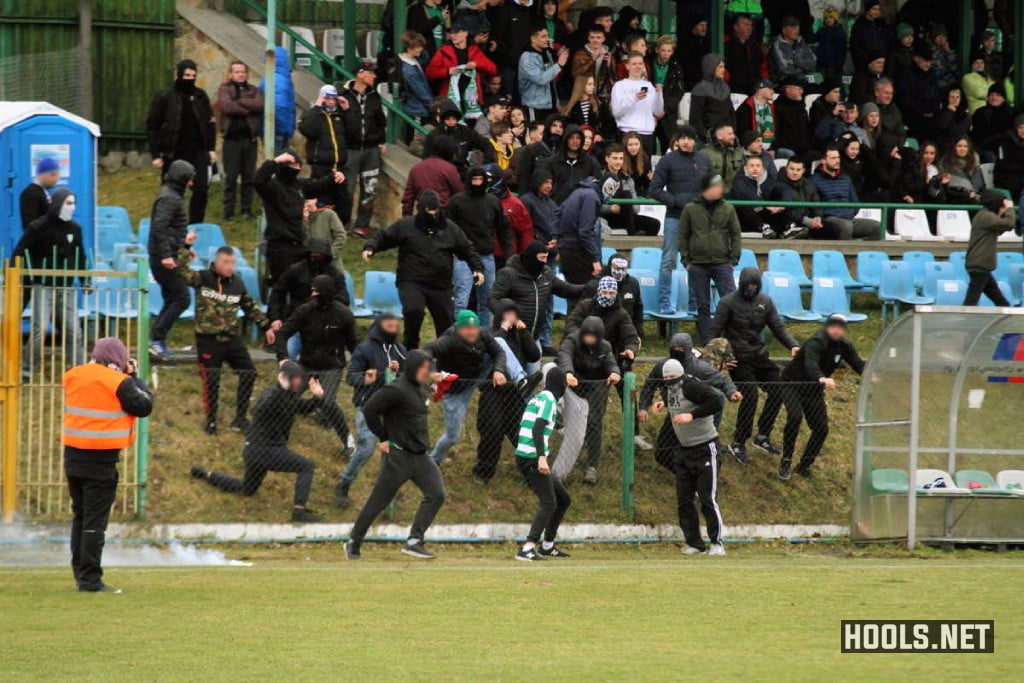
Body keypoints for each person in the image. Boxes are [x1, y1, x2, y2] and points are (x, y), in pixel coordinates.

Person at [63, 337, 153, 593]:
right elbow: (144, 405)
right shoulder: (119, 382)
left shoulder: (73, 375)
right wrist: (134, 377)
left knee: (80, 517)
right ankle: (90, 579)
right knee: (94, 521)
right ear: (120, 359)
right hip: (100, 460)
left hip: (73, 456)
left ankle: (80, 573)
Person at [191, 362, 326, 523]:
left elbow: (303, 408)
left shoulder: (290, 397)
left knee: (247, 489)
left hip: (258, 453)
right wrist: (281, 389)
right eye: (295, 379)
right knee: (306, 466)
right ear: (285, 378)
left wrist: (318, 398)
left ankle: (207, 475)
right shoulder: (271, 392)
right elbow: (261, 408)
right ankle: (299, 511)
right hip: (265, 450)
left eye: (300, 379)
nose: (299, 382)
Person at [346, 350, 446, 560]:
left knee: (437, 494)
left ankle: (414, 541)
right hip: (399, 457)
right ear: (411, 368)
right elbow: (370, 410)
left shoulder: (421, 388)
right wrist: (383, 437)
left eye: (428, 368)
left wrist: (437, 383)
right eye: (422, 368)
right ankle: (353, 541)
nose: (426, 372)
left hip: (421, 457)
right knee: (378, 502)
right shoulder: (396, 389)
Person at [363, 189, 484, 349]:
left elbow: (467, 248)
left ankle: (445, 357)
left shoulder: (450, 228)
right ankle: (410, 349)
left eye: (435, 211)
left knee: (446, 322)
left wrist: (477, 268)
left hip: (440, 285)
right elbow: (385, 237)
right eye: (429, 211)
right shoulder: (406, 226)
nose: (432, 215)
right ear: (421, 210)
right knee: (414, 311)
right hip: (412, 280)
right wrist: (371, 247)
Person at [175, 246, 271, 435]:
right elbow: (180, 270)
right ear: (216, 263)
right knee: (212, 380)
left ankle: (240, 419)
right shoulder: (203, 278)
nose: (230, 267)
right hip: (208, 340)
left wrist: (266, 327)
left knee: (248, 373)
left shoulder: (237, 284)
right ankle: (211, 421)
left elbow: (250, 306)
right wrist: (185, 248)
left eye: (232, 263)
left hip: (232, 339)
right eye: (226, 262)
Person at [709, 267, 800, 464]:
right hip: (738, 359)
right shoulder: (728, 303)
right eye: (748, 285)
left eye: (755, 285)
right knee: (749, 395)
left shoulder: (765, 302)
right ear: (741, 284)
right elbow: (714, 332)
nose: (751, 289)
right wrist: (720, 359)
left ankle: (763, 436)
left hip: (759, 355)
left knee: (778, 389)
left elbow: (778, 327)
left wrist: (793, 345)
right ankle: (739, 442)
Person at [647, 358, 726, 556]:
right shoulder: (667, 389)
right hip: (684, 449)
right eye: (666, 379)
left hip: (706, 447)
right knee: (684, 500)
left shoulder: (692, 386)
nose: (670, 382)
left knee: (707, 498)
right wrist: (662, 404)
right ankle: (694, 543)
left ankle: (717, 543)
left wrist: (693, 415)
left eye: (673, 378)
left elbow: (716, 401)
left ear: (680, 375)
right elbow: (674, 400)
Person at [273, 273, 357, 450]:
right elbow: (283, 333)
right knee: (285, 397)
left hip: (332, 366)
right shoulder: (305, 310)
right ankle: (278, 438)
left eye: (316, 292)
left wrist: (362, 364)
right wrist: (283, 359)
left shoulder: (344, 314)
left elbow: (353, 344)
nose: (313, 295)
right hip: (306, 364)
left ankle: (348, 442)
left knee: (327, 402)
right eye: (312, 291)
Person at [779, 314, 865, 480]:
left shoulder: (844, 346)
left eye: (841, 328)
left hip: (814, 389)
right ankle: (786, 460)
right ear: (827, 327)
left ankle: (804, 466)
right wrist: (822, 378)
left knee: (821, 429)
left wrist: (872, 375)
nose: (837, 330)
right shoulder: (816, 342)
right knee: (795, 417)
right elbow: (810, 363)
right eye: (834, 326)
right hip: (792, 384)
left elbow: (857, 363)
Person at [639, 334, 740, 471]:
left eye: (680, 349)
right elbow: (649, 385)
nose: (676, 352)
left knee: (695, 450)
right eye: (673, 348)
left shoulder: (699, 368)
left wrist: (731, 392)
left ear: (687, 349)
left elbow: (722, 380)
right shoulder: (663, 366)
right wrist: (643, 407)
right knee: (662, 453)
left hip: (695, 416)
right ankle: (686, 474)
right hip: (675, 413)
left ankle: (698, 474)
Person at [14, 187, 87, 376]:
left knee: (73, 329)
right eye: (68, 203)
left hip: (66, 285)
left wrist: (85, 279)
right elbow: (19, 251)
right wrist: (19, 276)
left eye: (74, 203)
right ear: (57, 204)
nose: (72, 207)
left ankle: (79, 369)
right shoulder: (38, 227)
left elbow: (81, 257)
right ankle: (27, 368)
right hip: (43, 285)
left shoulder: (75, 229)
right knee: (40, 329)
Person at [565, 276, 642, 452]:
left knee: (628, 395)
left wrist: (631, 349)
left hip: (613, 360)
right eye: (605, 292)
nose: (608, 295)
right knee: (584, 402)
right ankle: (579, 433)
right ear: (599, 291)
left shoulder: (621, 313)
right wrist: (585, 341)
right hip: (585, 359)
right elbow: (571, 326)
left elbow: (631, 336)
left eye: (611, 292)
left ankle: (634, 433)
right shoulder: (585, 306)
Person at [337, 314, 407, 506]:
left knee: (394, 452)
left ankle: (389, 496)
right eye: (389, 325)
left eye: (396, 326)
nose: (393, 329)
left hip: (392, 408)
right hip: (367, 405)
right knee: (367, 445)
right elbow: (351, 377)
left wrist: (400, 369)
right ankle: (345, 482)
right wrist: (365, 380)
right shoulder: (364, 349)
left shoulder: (400, 350)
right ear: (379, 326)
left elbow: (410, 376)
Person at [424, 310, 508, 464]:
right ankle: (432, 460)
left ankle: (520, 380)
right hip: (455, 390)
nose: (472, 332)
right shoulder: (449, 339)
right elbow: (426, 350)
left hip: (477, 375)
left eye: (474, 327)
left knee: (501, 343)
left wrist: (498, 370)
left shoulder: (483, 333)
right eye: (467, 328)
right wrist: (432, 372)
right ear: (459, 328)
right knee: (453, 437)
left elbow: (499, 352)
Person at [474, 299, 541, 483]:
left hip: (514, 393)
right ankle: (483, 473)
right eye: (508, 314)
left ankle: (531, 473)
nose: (512, 318)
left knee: (522, 433)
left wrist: (524, 332)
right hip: (492, 391)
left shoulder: (518, 335)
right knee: (492, 432)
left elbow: (534, 355)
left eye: (514, 314)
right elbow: (492, 349)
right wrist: (503, 328)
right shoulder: (490, 334)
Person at [255, 150, 345, 287]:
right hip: (279, 246)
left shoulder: (299, 186)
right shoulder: (272, 187)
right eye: (292, 165)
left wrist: (334, 177)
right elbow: (258, 180)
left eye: (298, 165)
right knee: (282, 287)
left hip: (298, 245)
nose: (296, 168)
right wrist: (275, 161)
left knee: (301, 287)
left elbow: (319, 185)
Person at [146, 59, 215, 223]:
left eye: (193, 75)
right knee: (171, 191)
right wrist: (156, 154)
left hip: (198, 151)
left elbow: (210, 123)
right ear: (179, 75)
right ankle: (169, 222)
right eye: (186, 75)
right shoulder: (165, 97)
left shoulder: (200, 96)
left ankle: (196, 224)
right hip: (173, 152)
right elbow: (153, 126)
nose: (190, 78)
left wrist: (211, 148)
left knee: (201, 189)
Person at [514, 366, 572, 561]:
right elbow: (538, 428)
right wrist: (541, 457)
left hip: (525, 454)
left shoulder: (540, 397)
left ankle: (547, 545)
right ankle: (528, 547)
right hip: (532, 456)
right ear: (560, 385)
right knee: (549, 503)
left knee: (563, 499)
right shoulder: (548, 400)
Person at [650, 127, 709, 314]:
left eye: (689, 138)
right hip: (674, 217)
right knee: (668, 260)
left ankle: (694, 304)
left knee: (696, 262)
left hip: (698, 219)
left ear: (695, 141)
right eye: (682, 138)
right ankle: (664, 302)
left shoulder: (704, 160)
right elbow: (654, 190)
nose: (685, 141)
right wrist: (675, 201)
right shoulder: (667, 160)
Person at [555, 316, 621, 484]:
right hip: (573, 385)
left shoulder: (605, 347)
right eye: (587, 336)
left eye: (593, 337)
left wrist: (615, 373)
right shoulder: (572, 340)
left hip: (596, 389)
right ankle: (559, 413)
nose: (589, 339)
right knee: (575, 422)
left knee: (594, 422)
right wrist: (568, 372)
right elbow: (564, 356)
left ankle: (592, 466)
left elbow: (611, 363)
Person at [489, 240, 584, 355]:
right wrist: (506, 314)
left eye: (546, 258)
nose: (544, 262)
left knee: (534, 370)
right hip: (510, 338)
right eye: (541, 258)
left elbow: (566, 289)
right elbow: (492, 299)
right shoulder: (508, 274)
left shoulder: (545, 274)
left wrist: (589, 287)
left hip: (533, 339)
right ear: (531, 257)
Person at [679, 173, 742, 342]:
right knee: (703, 305)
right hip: (697, 264)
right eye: (716, 186)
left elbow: (736, 235)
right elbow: (683, 236)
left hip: (722, 263)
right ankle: (708, 339)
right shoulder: (690, 209)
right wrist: (686, 261)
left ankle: (733, 336)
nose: (720, 190)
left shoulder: (728, 208)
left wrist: (732, 260)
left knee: (731, 300)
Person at [446, 166, 511, 326]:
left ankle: (484, 338)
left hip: (487, 256)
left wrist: (509, 254)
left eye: (480, 180)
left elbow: (503, 229)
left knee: (487, 301)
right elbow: (448, 229)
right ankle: (458, 335)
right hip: (463, 257)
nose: (477, 183)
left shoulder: (493, 202)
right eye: (474, 180)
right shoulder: (457, 201)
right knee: (462, 298)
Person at [146, 160, 194, 362]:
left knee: (172, 298)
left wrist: (184, 245)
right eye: (190, 178)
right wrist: (166, 255)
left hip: (169, 255)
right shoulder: (169, 198)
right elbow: (160, 228)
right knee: (181, 298)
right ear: (183, 179)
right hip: (163, 259)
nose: (192, 183)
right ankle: (156, 339)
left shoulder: (171, 195)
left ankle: (157, 341)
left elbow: (170, 229)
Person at [339, 63, 387, 238]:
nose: (374, 76)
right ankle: (342, 224)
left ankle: (362, 226)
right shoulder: (342, 95)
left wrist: (381, 141)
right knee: (347, 189)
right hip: (349, 150)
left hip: (371, 150)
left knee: (370, 188)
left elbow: (381, 121)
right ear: (359, 74)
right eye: (370, 73)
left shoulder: (375, 96)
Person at [216, 61, 263, 222]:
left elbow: (259, 104)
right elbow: (227, 107)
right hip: (231, 140)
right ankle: (228, 212)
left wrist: (240, 102)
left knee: (249, 177)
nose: (240, 74)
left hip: (249, 139)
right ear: (231, 73)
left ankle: (246, 210)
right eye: (237, 72)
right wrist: (247, 108)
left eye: (243, 72)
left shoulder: (253, 89)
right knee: (231, 178)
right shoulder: (224, 88)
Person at [425, 20, 497, 123]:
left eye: (457, 32)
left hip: (471, 101)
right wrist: (447, 71)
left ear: (465, 33)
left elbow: (493, 69)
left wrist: (477, 64)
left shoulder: (474, 50)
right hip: (450, 100)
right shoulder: (443, 51)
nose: (454, 36)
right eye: (452, 33)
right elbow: (429, 73)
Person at [811, 146, 883, 240]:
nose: (837, 161)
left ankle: (863, 252)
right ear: (823, 161)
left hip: (848, 218)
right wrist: (837, 214)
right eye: (833, 158)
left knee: (876, 227)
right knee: (846, 226)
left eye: (838, 157)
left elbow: (855, 203)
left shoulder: (846, 178)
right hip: (829, 219)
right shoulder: (814, 180)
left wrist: (847, 214)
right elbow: (815, 205)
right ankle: (844, 254)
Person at [298, 84, 348, 211]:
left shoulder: (340, 115)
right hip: (321, 166)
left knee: (342, 202)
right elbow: (306, 130)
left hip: (339, 166)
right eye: (327, 98)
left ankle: (340, 228)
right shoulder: (313, 114)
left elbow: (353, 132)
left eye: (333, 99)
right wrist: (316, 107)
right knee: (322, 201)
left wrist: (347, 110)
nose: (331, 102)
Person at [554, 177, 603, 305]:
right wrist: (595, 259)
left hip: (566, 250)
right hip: (578, 252)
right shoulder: (591, 196)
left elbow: (558, 214)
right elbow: (585, 231)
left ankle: (572, 324)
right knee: (585, 299)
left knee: (574, 298)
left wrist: (558, 240)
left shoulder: (577, 192)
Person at [963, 191, 1016, 306]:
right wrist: (1010, 209)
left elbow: (1000, 229)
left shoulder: (985, 216)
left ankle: (1008, 314)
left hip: (980, 264)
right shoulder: (986, 216)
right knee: (972, 300)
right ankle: (964, 318)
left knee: (997, 297)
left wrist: (1002, 213)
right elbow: (1009, 224)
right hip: (979, 263)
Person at [727, 155, 799, 239]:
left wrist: (782, 204)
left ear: (762, 168)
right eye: (752, 166)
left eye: (758, 166)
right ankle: (763, 228)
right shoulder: (739, 180)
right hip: (744, 219)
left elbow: (784, 189)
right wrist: (766, 206)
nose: (755, 168)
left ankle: (788, 228)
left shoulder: (768, 181)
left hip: (763, 214)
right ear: (746, 168)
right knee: (744, 206)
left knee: (781, 202)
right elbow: (747, 195)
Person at [598, 143, 659, 236]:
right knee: (625, 195)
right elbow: (594, 205)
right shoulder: (599, 177)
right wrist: (610, 208)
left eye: (621, 158)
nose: (618, 162)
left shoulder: (628, 179)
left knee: (654, 224)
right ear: (607, 159)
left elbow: (636, 207)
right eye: (615, 158)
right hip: (606, 216)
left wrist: (624, 207)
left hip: (626, 215)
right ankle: (632, 235)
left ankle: (640, 248)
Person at [610, 52, 663, 155]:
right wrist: (634, 98)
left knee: (645, 168)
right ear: (627, 66)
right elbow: (616, 112)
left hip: (647, 133)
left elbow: (658, 112)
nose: (638, 67)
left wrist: (659, 95)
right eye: (634, 64)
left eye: (640, 63)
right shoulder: (619, 86)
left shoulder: (649, 86)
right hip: (627, 132)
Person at [423, 99, 495, 172]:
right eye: (448, 119)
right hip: (441, 172)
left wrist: (486, 164)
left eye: (454, 119)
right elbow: (427, 157)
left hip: (461, 170)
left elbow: (486, 144)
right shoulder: (433, 135)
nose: (451, 122)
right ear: (442, 119)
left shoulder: (465, 131)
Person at [401, 134, 464, 215]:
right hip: (443, 213)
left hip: (423, 212)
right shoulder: (450, 169)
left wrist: (406, 217)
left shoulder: (416, 168)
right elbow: (459, 193)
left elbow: (408, 198)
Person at [519, 25, 569, 121]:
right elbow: (540, 79)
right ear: (533, 39)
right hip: (535, 106)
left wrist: (556, 101)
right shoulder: (527, 57)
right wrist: (558, 65)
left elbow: (551, 81)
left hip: (551, 105)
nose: (547, 39)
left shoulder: (547, 53)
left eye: (547, 36)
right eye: (543, 36)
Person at [546, 124, 602, 203]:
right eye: (571, 138)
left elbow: (597, 184)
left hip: (582, 206)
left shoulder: (590, 162)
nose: (575, 141)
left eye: (578, 138)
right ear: (566, 139)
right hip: (558, 206)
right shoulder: (554, 162)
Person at [259, 46, 296, 154]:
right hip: (278, 132)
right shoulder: (278, 79)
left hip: (277, 131)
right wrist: (285, 130)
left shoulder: (275, 77)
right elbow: (279, 107)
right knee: (278, 164)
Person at [515, 113, 565, 192]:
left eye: (561, 127)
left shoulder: (564, 151)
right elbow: (523, 176)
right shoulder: (532, 149)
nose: (558, 129)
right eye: (554, 125)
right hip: (534, 195)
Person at [689, 53, 734, 142]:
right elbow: (695, 118)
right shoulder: (701, 88)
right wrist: (706, 136)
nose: (724, 70)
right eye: (720, 67)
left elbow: (731, 113)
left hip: (726, 137)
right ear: (711, 67)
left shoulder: (725, 87)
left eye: (723, 67)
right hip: (708, 139)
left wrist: (731, 132)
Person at [397, 31, 435, 132]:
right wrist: (433, 105)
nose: (421, 49)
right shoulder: (409, 70)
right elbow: (421, 92)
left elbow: (425, 57)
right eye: (418, 47)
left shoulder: (411, 60)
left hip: (416, 107)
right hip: (417, 109)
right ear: (409, 49)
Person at [777, 157, 825, 237]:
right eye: (792, 169)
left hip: (809, 221)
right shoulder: (778, 185)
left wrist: (818, 217)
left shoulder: (808, 184)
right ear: (786, 169)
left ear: (803, 171)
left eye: (798, 170)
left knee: (833, 229)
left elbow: (816, 203)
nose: (795, 172)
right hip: (790, 223)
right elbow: (786, 210)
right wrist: (805, 220)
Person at [570, 24, 615, 104]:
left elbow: (613, 78)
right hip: (585, 94)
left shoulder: (608, 54)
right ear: (588, 38)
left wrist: (609, 65)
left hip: (603, 95)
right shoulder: (580, 54)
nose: (595, 40)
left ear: (603, 39)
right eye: (592, 37)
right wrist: (592, 61)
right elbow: (575, 73)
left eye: (598, 37)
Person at [724, 14, 767, 96]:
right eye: (746, 24)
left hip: (754, 88)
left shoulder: (756, 47)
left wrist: (764, 83)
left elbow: (763, 68)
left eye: (751, 25)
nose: (750, 28)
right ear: (735, 27)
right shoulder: (726, 44)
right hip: (732, 88)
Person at [970, 84, 1013, 163]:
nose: (994, 98)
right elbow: (977, 134)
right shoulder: (980, 112)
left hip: (1005, 147)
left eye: (997, 95)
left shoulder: (1010, 113)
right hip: (984, 148)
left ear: (1003, 98)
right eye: (991, 95)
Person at [768, 15, 816, 84]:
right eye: (793, 28)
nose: (796, 31)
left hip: (802, 81)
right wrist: (804, 69)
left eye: (798, 28)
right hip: (783, 84)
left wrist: (795, 61)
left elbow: (813, 63)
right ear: (784, 31)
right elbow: (785, 69)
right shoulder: (776, 46)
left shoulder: (802, 44)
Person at [773, 77, 812, 159]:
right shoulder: (778, 107)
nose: (802, 92)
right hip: (787, 149)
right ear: (788, 89)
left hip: (804, 148)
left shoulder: (801, 106)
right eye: (798, 89)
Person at [699, 124, 744, 191]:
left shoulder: (739, 152)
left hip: (736, 195)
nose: (733, 136)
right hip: (713, 194)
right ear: (719, 136)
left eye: (733, 133)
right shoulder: (705, 153)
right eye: (730, 134)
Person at [519, 169, 560, 244]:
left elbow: (557, 223)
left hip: (552, 245)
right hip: (535, 246)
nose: (549, 186)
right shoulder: (526, 200)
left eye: (551, 183)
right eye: (546, 182)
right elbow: (525, 228)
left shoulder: (552, 203)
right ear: (538, 182)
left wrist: (555, 238)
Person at [19, 157, 61, 231]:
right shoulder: (30, 193)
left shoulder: (43, 191)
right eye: (53, 175)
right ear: (42, 174)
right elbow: (30, 226)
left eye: (57, 175)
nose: (56, 179)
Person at [735, 79, 777, 151]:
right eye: (770, 88)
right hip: (751, 149)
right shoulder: (746, 108)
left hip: (770, 149)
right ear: (760, 89)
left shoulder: (773, 108)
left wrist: (772, 149)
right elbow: (742, 132)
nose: (773, 92)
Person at [849, 0, 889, 74]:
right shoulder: (859, 25)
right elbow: (855, 45)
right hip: (864, 65)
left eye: (878, 9)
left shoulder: (882, 24)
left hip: (881, 63)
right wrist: (866, 61)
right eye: (874, 9)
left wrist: (882, 57)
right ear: (867, 10)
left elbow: (887, 41)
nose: (876, 11)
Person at [815, 8, 847, 82]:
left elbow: (842, 49)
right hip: (821, 64)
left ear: (835, 19)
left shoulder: (839, 31)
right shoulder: (822, 30)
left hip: (833, 65)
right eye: (826, 18)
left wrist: (839, 64)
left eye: (831, 17)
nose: (828, 19)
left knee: (832, 85)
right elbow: (812, 39)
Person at [680, 15, 712, 89]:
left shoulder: (705, 42)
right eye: (701, 25)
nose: (704, 28)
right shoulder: (685, 43)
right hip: (690, 82)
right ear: (694, 26)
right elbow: (686, 65)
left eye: (706, 25)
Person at [931, 24, 959, 92]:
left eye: (943, 36)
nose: (941, 39)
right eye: (938, 36)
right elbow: (935, 72)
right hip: (939, 86)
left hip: (952, 85)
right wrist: (947, 70)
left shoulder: (950, 50)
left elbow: (955, 68)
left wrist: (948, 52)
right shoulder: (931, 51)